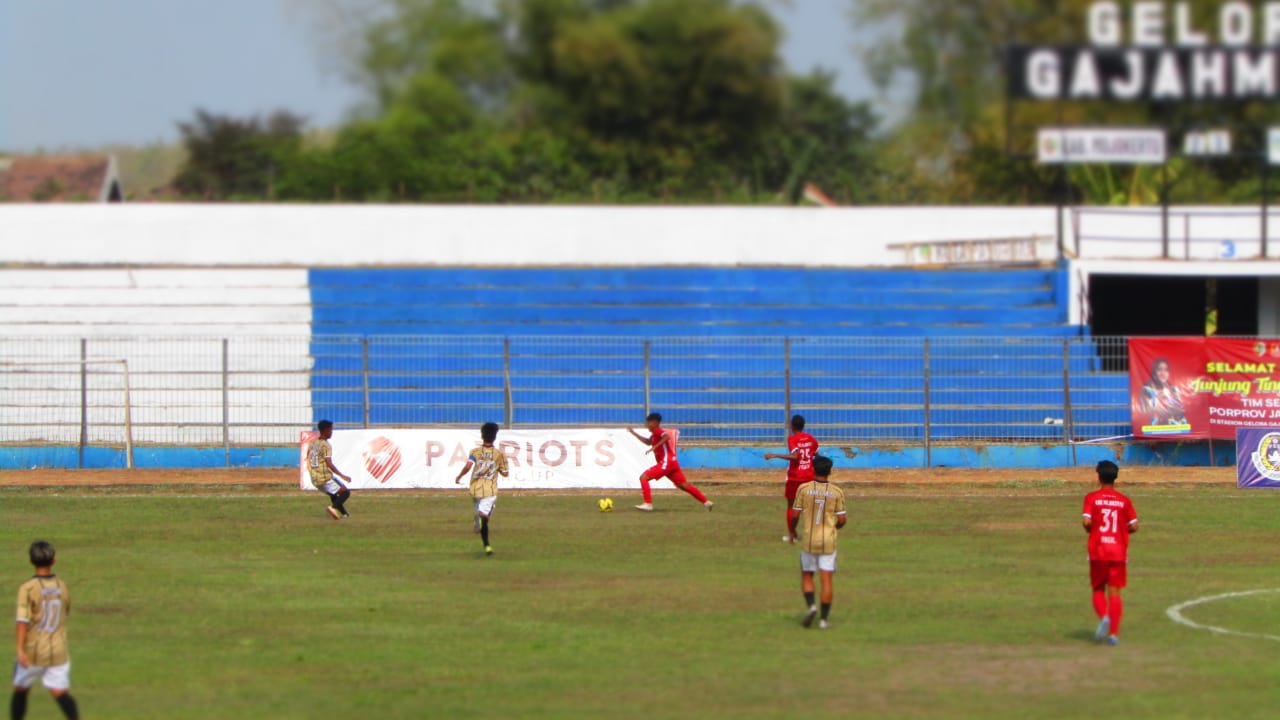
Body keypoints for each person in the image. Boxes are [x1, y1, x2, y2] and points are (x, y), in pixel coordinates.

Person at [12, 541, 79, 720]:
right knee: (59, 691)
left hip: (33, 650)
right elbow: (65, 611)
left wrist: (19, 649)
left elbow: (22, 621)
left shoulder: (27, 588)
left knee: (21, 688)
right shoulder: (62, 586)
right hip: (58, 650)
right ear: (53, 560)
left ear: (31, 561)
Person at [1082, 460, 1139, 646]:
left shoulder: (1092, 498)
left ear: (1099, 476)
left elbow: (1086, 522)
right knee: (1114, 592)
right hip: (1118, 550)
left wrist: (1094, 529)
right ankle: (1113, 634)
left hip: (1098, 549)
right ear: (1115, 477)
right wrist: (1120, 532)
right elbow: (1134, 525)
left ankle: (1104, 617)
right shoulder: (1124, 501)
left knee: (1098, 588)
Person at [788, 455, 846, 629]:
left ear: (813, 469)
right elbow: (842, 520)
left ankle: (812, 606)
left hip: (809, 539)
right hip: (828, 541)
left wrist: (792, 531)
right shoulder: (837, 492)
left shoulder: (803, 489)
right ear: (830, 471)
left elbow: (795, 515)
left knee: (807, 574)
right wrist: (833, 527)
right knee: (826, 579)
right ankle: (823, 620)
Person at [627, 413, 713, 512]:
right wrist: (633, 433)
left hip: (666, 462)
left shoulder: (659, 431)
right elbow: (647, 442)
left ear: (655, 423)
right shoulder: (654, 435)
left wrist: (654, 447)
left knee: (643, 477)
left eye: (648, 423)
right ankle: (706, 502)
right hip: (672, 463)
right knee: (683, 485)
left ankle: (648, 503)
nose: (647, 425)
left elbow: (667, 437)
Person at [455, 422, 509, 556]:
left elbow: (468, 466)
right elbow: (505, 473)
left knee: (479, 505)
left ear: (482, 436)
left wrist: (459, 476)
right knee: (486, 512)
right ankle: (486, 543)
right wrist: (497, 469)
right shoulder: (499, 454)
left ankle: (479, 517)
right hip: (490, 490)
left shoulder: (475, 452)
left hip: (475, 488)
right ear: (495, 437)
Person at [765, 414, 818, 541]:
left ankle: (792, 535)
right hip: (809, 476)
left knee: (791, 506)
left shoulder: (792, 439)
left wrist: (775, 455)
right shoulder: (811, 439)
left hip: (796, 477)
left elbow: (795, 456)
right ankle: (814, 535)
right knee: (809, 506)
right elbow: (816, 456)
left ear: (792, 426)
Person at [307, 420, 353, 519]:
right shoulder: (326, 445)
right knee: (345, 492)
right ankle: (332, 507)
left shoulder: (313, 443)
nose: (332, 432)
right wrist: (343, 475)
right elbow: (329, 464)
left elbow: (308, 458)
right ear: (325, 430)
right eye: (331, 430)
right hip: (324, 477)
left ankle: (345, 514)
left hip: (315, 478)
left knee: (334, 493)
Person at [1139, 358, 1186, 426]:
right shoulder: (1147, 389)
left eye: (1166, 370)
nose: (1163, 373)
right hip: (1154, 430)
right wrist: (1157, 399)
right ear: (1154, 372)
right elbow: (1145, 411)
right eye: (1159, 369)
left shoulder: (1172, 390)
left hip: (1173, 429)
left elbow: (1181, 410)